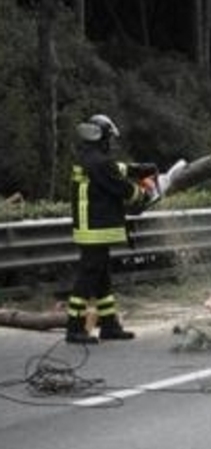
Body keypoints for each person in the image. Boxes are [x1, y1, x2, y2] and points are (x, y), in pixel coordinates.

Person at [67, 114, 158, 344]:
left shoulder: (88, 158)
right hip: (94, 227)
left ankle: (109, 325)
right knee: (88, 277)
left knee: (102, 278)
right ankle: (74, 328)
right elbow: (120, 187)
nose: (111, 143)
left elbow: (115, 169)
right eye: (109, 138)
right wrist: (145, 194)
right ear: (103, 137)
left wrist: (137, 170)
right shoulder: (99, 162)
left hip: (90, 226)